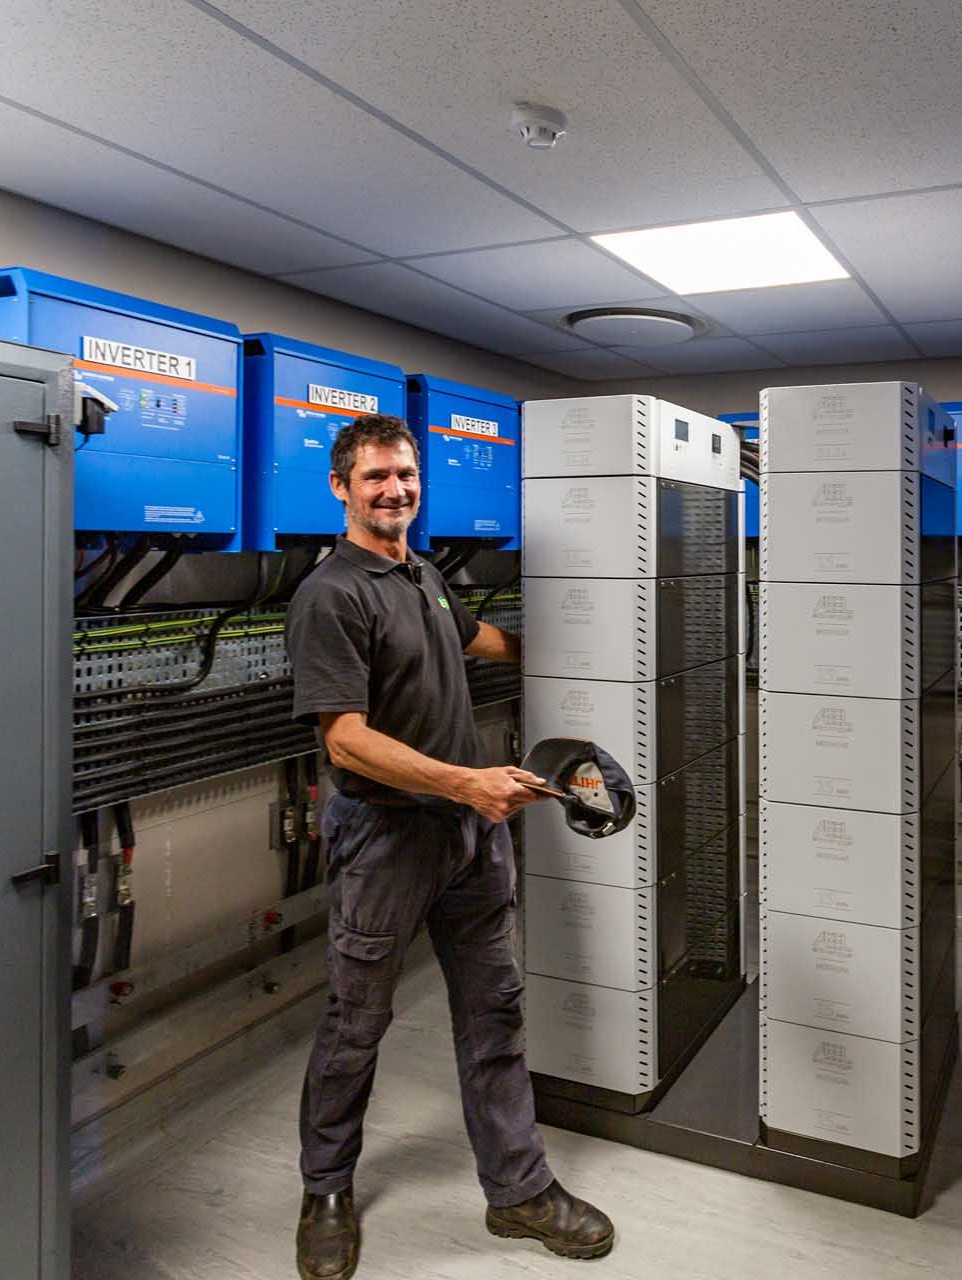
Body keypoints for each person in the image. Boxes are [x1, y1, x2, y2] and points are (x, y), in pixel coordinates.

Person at [285, 414, 613, 1280]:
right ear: (341, 488)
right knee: (356, 1023)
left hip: (470, 835)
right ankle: (325, 1189)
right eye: (376, 478)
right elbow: (345, 740)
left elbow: (478, 640)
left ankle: (518, 1191)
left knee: (493, 1012)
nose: (396, 491)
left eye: (407, 476)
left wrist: (589, 659)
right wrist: (468, 782)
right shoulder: (332, 595)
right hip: (386, 835)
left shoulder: (422, 575)